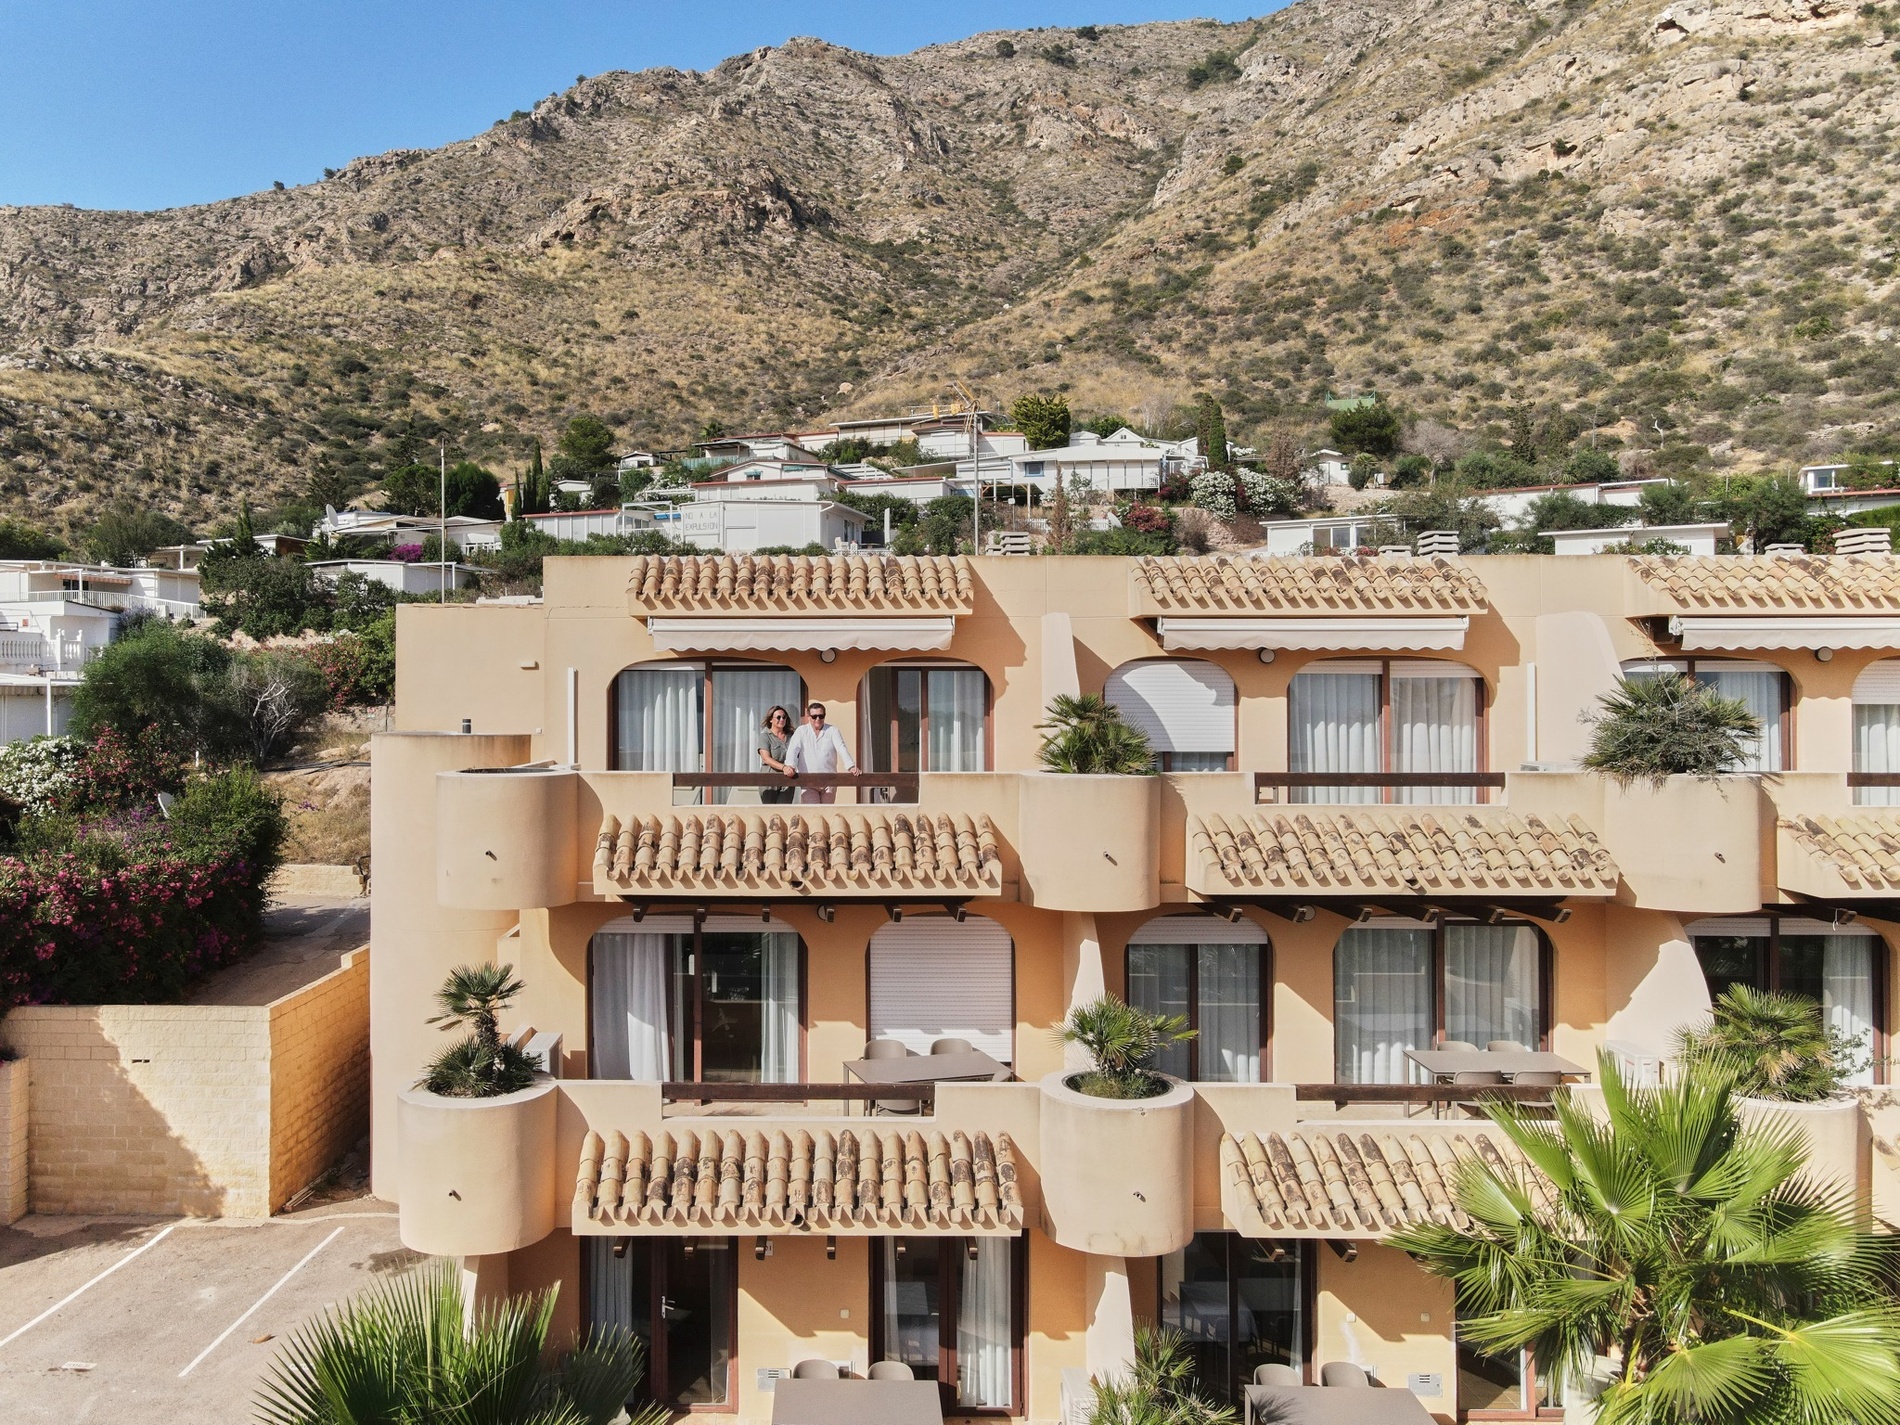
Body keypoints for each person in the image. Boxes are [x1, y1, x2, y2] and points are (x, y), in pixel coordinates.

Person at [785, 700, 857, 804]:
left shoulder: (832, 730)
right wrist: (790, 766)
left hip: (829, 780)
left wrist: (851, 766)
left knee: (827, 812)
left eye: (821, 716)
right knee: (813, 812)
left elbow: (841, 748)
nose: (818, 719)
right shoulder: (801, 731)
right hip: (808, 781)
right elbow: (793, 749)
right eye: (814, 716)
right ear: (809, 717)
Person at [756, 705, 796, 804]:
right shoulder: (765, 736)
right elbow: (766, 758)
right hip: (770, 779)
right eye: (778, 717)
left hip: (788, 779)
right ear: (771, 719)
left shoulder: (792, 736)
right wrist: (783, 767)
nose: (782, 719)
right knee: (770, 810)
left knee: (784, 809)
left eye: (784, 717)